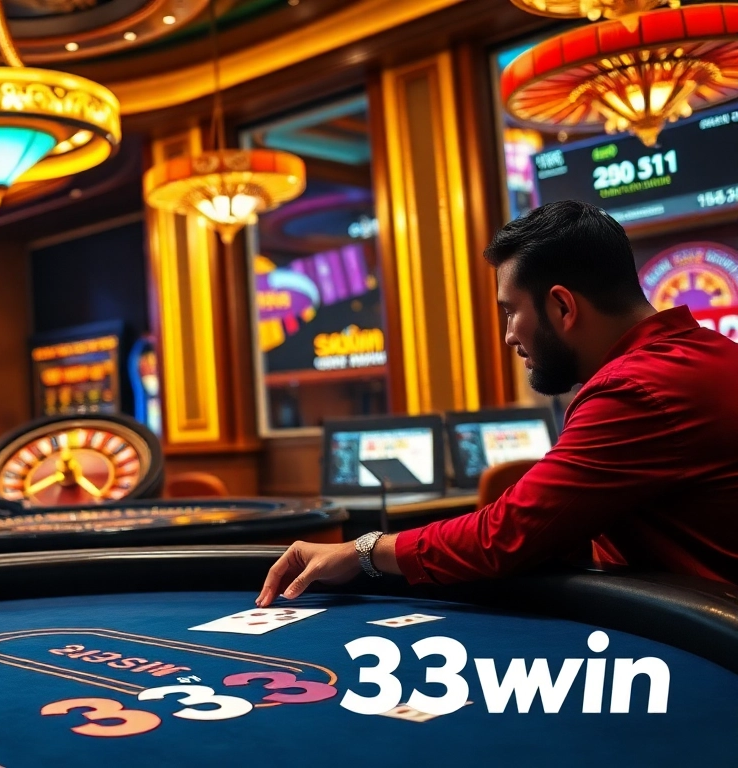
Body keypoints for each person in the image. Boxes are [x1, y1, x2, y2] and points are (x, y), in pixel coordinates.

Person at [259, 200, 738, 606]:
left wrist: (362, 551)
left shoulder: (633, 390)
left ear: (563, 306)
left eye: (511, 311)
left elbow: (503, 536)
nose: (509, 335)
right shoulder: (713, 353)